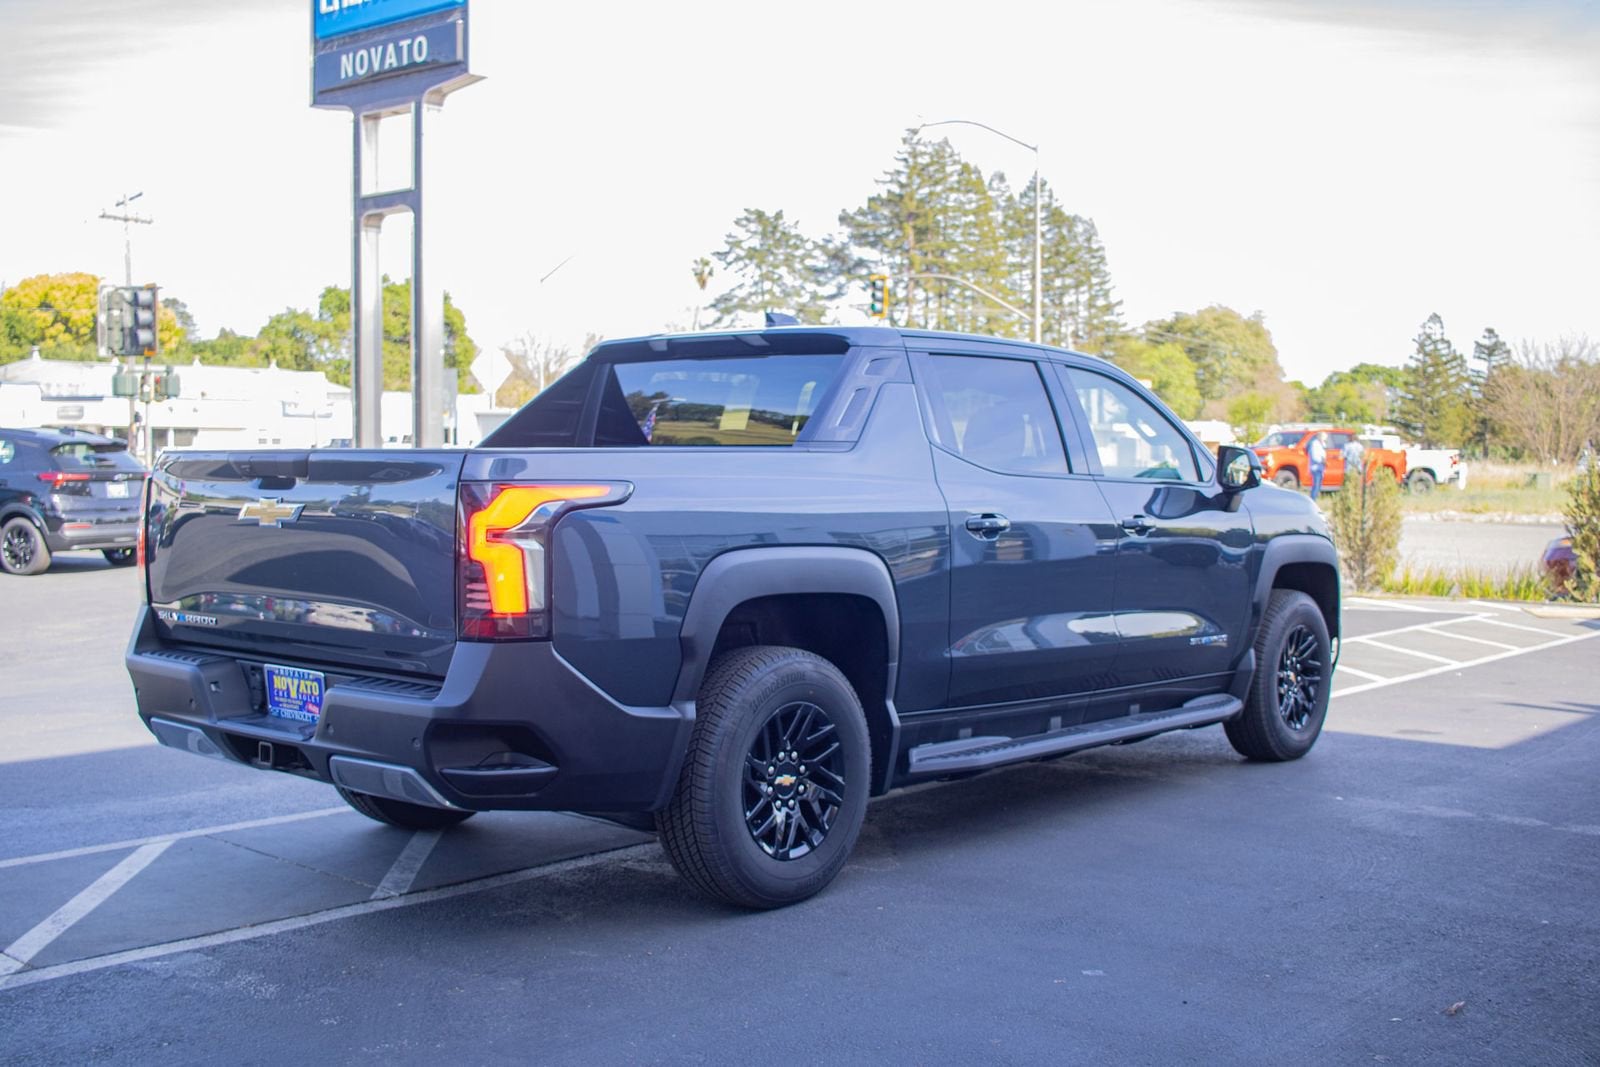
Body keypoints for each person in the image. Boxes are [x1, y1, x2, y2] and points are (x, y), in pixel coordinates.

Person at [1307, 432, 1327, 500]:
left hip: (1320, 468)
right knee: (1315, 486)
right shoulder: (1314, 444)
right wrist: (1322, 461)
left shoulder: (1321, 444)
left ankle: (1314, 499)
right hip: (1316, 468)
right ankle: (1312, 500)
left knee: (1318, 487)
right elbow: (1314, 457)